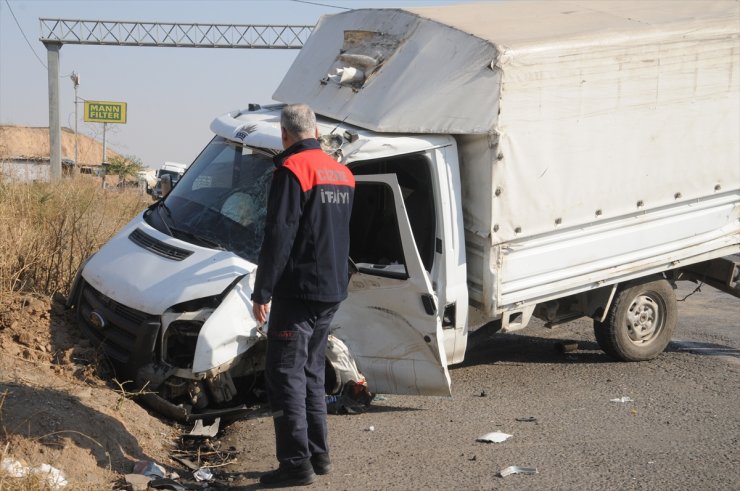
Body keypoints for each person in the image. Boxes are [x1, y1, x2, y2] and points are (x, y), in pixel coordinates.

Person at [251, 103, 355, 488]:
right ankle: (318, 455)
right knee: (311, 371)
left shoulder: (292, 170)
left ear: (284, 134)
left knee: (284, 374)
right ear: (315, 130)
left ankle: (295, 464)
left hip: (298, 292)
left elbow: (280, 235)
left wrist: (262, 291)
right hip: (332, 289)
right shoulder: (343, 173)